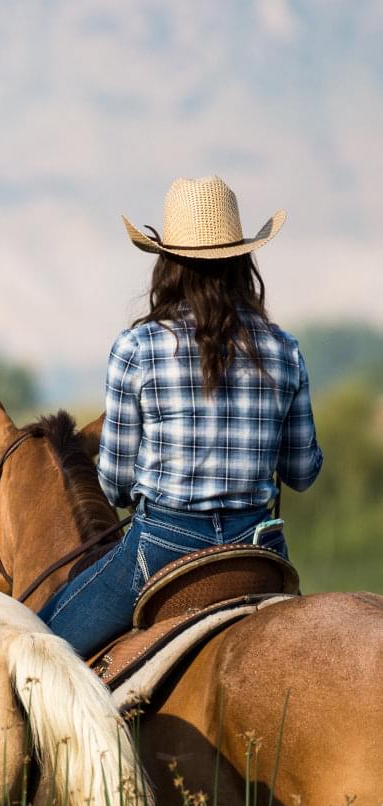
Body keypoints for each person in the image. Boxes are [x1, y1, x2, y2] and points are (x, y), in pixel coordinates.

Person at [40, 176, 322, 655]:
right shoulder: (283, 349)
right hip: (258, 551)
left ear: (167, 264)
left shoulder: (137, 348)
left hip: (163, 547)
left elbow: (114, 484)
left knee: (39, 646)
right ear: (243, 260)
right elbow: (302, 473)